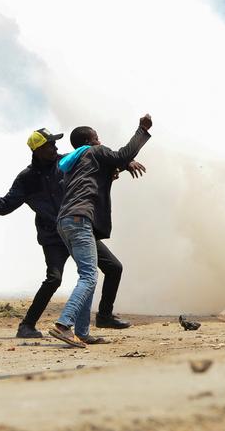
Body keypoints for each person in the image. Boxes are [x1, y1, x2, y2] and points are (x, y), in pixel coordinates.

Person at [0, 128, 137, 340]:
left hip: (79, 226)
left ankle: (104, 316)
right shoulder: (26, 179)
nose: (55, 147)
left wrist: (124, 164)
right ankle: (27, 326)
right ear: (38, 149)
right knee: (55, 279)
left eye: (55, 143)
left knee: (113, 267)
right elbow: (3, 206)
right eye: (50, 144)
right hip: (53, 236)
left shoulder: (67, 162)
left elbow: (98, 164)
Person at [49, 114, 152, 348]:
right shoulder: (94, 151)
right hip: (80, 220)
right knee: (88, 275)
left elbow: (107, 170)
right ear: (90, 141)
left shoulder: (74, 164)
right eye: (97, 137)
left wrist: (120, 167)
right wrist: (141, 130)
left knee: (106, 269)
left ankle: (83, 332)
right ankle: (63, 325)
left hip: (67, 222)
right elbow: (121, 155)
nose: (100, 140)